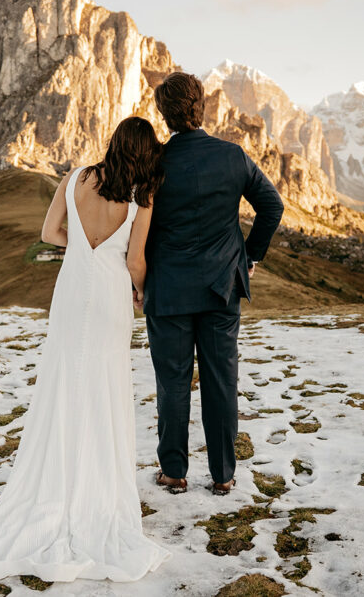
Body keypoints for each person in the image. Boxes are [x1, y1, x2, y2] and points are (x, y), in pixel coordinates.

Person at [0, 116, 172, 582]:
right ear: (144, 154)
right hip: (109, 296)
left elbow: (49, 234)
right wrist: (138, 290)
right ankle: (94, 494)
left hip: (72, 288)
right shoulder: (143, 197)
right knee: (104, 389)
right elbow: (137, 260)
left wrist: (82, 247)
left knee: (63, 383)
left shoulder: (75, 177)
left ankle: (54, 483)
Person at [144, 71, 284, 496]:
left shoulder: (153, 164)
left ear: (163, 115)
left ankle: (174, 473)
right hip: (222, 287)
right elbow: (272, 207)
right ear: (200, 106)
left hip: (167, 291)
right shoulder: (232, 156)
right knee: (221, 381)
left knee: (172, 382)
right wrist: (251, 256)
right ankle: (223, 474)